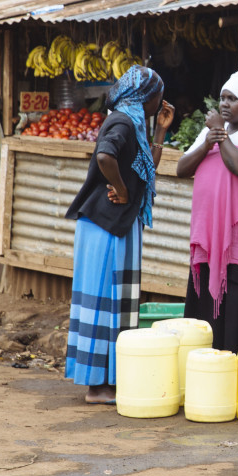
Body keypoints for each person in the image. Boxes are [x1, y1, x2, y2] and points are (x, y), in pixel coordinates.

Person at [64, 65, 174, 405]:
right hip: (104, 226)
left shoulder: (136, 124)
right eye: (159, 95)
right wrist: (121, 189)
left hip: (118, 226)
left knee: (117, 303)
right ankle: (97, 387)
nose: (162, 101)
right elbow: (104, 156)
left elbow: (145, 168)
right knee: (103, 301)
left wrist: (160, 133)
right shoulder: (122, 121)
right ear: (146, 96)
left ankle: (109, 381)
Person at [177, 68, 238, 352]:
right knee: (205, 308)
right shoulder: (211, 134)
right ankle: (206, 372)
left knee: (236, 302)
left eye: (233, 99)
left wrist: (219, 135)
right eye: (223, 98)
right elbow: (182, 169)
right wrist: (208, 141)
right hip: (209, 235)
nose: (224, 104)